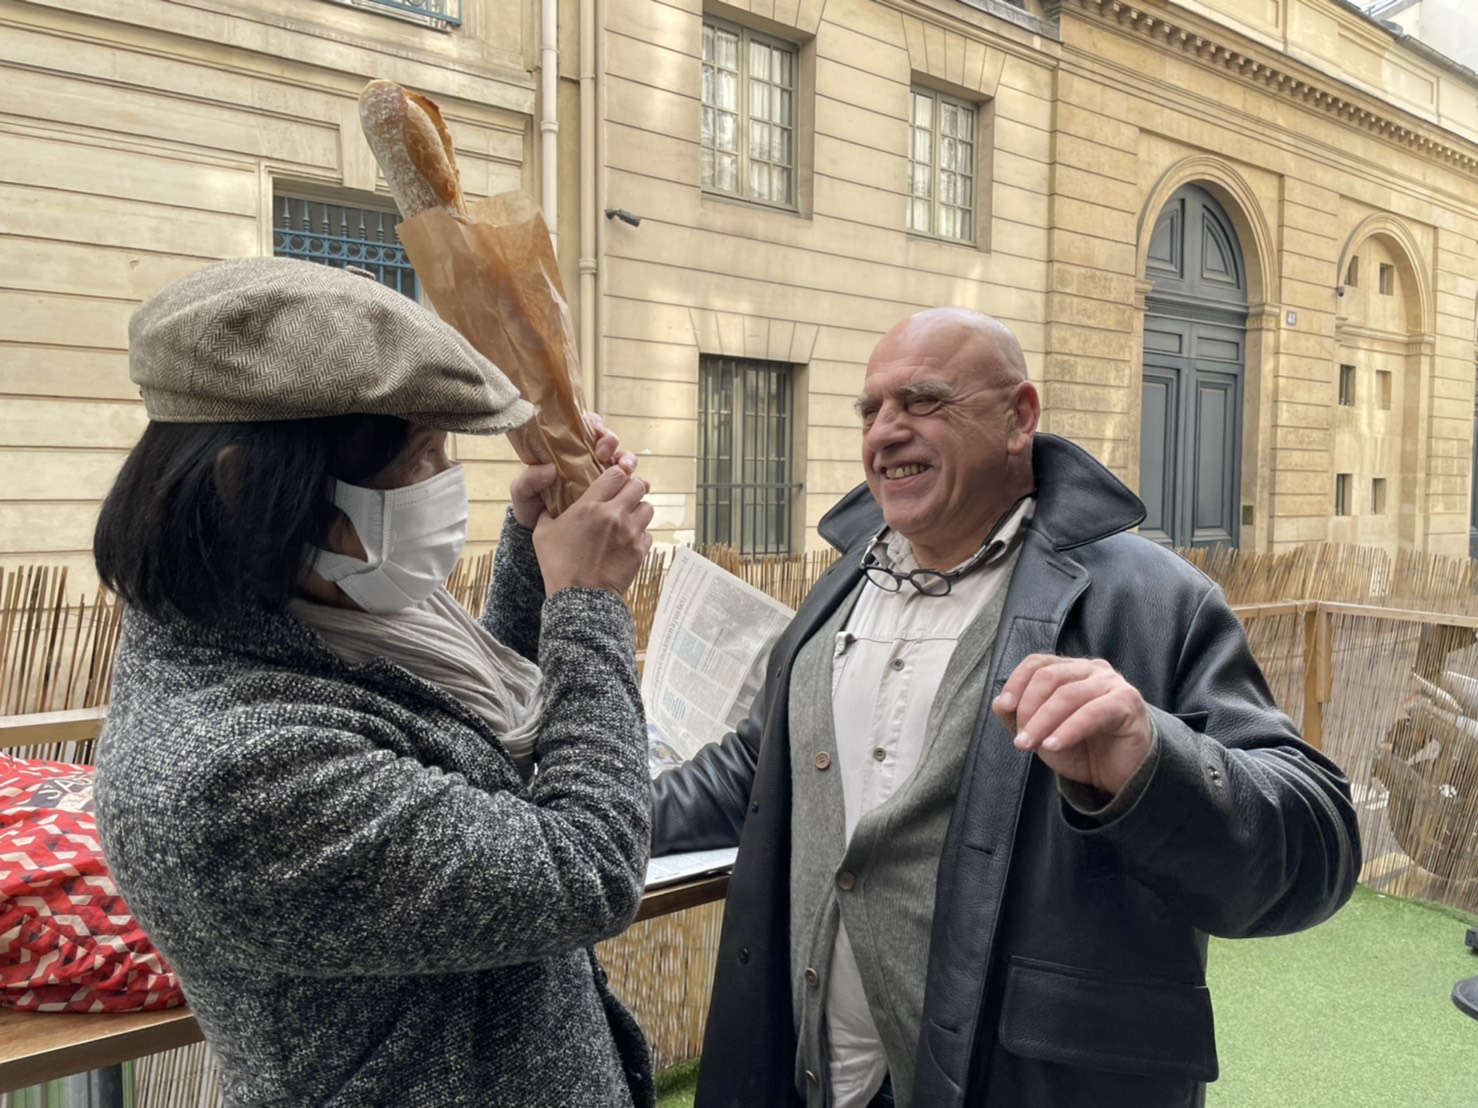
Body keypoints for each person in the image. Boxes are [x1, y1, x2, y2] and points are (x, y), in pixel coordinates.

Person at [652, 307, 1361, 1108]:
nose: (884, 431)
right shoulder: (836, 591)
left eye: (922, 402)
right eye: (871, 409)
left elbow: (1318, 848)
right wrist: (598, 814)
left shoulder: (1152, 602)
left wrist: (1150, 765)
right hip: (822, 1079)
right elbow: (755, 768)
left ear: (1019, 416)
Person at [92, 258, 656, 1107]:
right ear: (249, 487)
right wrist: (587, 602)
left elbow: (460, 755)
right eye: (418, 454)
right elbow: (585, 868)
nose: (443, 481)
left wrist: (539, 556)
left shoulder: (291, 618)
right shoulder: (226, 774)